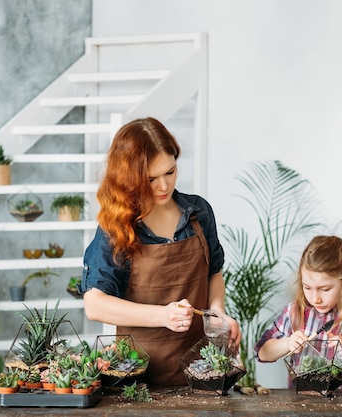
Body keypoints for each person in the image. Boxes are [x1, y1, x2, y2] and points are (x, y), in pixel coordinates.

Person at [80, 117, 240, 386]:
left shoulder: (199, 213)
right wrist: (163, 316)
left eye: (170, 172)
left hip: (201, 370)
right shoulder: (117, 226)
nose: (164, 186)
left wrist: (218, 314)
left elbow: (214, 273)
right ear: (129, 179)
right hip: (136, 376)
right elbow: (95, 305)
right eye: (151, 179)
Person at [254, 235, 342, 390]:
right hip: (301, 406)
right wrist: (287, 343)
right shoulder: (294, 311)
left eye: (325, 289)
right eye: (307, 287)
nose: (315, 298)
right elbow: (262, 353)